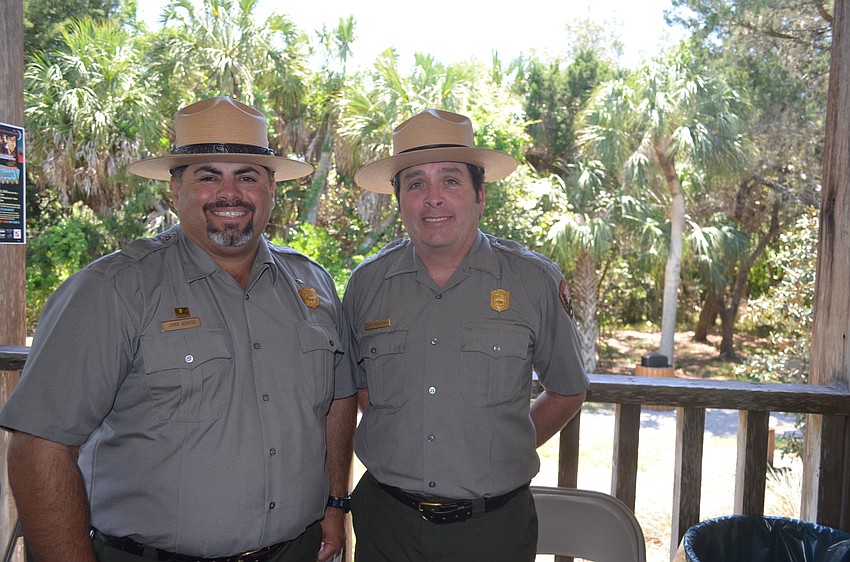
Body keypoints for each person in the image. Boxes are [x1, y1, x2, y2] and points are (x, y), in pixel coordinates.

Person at [0, 97, 357, 562]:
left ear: (272, 187)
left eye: (247, 175)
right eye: (208, 176)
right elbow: (38, 449)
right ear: (176, 188)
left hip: (297, 549)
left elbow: (337, 401)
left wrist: (334, 503)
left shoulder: (314, 284)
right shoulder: (111, 291)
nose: (230, 193)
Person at [343, 108, 589, 561]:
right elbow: (361, 387)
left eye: (450, 180)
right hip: (387, 525)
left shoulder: (533, 281)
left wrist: (497, 444)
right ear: (399, 199)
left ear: (480, 194)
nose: (433, 198)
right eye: (416, 183)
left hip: (492, 530)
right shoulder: (366, 286)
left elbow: (568, 390)